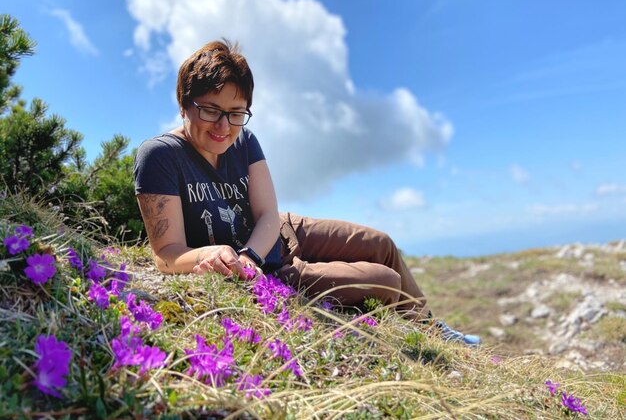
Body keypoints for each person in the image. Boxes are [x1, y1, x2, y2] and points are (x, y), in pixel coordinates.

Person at [133, 40, 480, 345]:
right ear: (184, 103)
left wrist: (250, 254)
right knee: (386, 281)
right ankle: (421, 331)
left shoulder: (245, 140)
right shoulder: (160, 156)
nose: (224, 126)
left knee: (383, 245)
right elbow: (167, 254)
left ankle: (431, 327)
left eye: (236, 113)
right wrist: (218, 257)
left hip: (280, 232)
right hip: (273, 271)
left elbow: (268, 213)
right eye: (210, 110)